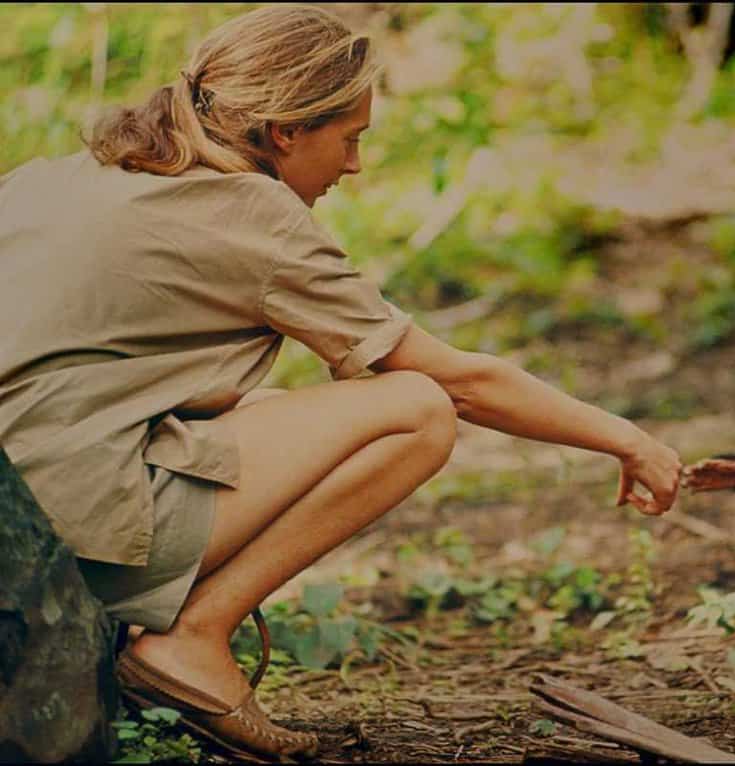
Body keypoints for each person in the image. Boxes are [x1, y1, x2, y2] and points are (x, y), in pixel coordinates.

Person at [0, 5, 681, 761]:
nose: (354, 165)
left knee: (270, 407)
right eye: (350, 138)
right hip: (65, 534)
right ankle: (191, 640)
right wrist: (626, 438)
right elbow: (456, 384)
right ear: (287, 131)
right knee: (413, 412)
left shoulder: (59, 177)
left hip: (17, 510)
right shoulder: (254, 213)